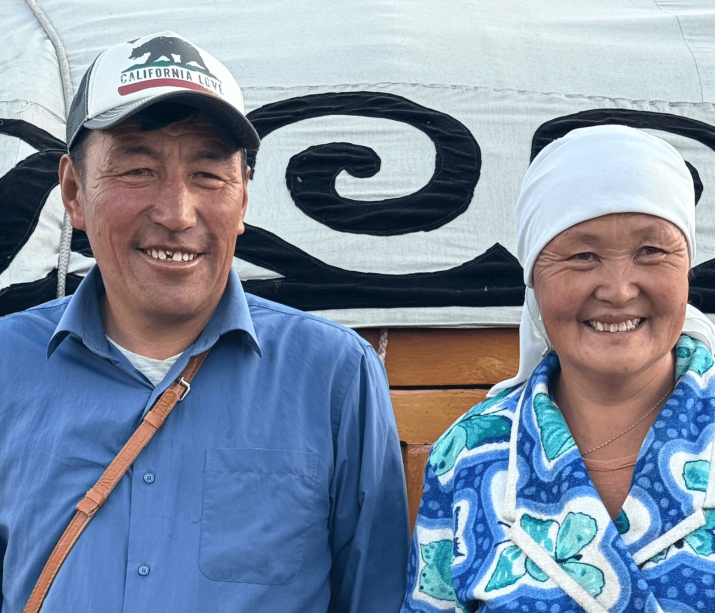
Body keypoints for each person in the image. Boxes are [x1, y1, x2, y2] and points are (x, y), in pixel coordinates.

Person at [0, 31, 409, 613]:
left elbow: (378, 597)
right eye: (138, 169)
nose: (176, 213)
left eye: (209, 175)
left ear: (243, 197)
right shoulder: (6, 367)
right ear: (73, 192)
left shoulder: (334, 376)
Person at [402, 125, 715, 612]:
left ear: (688, 267)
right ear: (534, 277)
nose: (618, 290)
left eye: (652, 251)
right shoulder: (472, 452)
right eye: (582, 255)